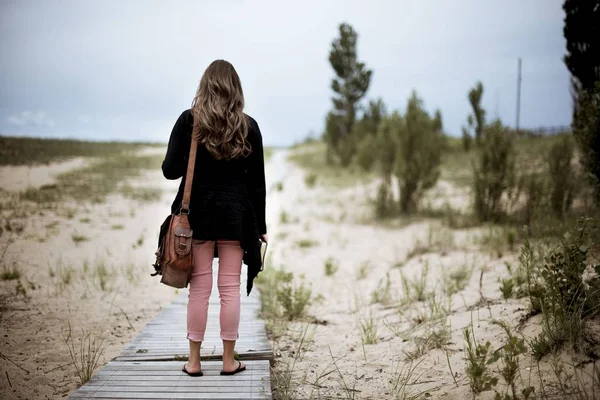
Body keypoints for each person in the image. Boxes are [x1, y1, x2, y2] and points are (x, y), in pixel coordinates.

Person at [161, 59, 267, 377]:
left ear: (204, 86)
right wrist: (260, 227)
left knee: (200, 290)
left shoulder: (189, 121)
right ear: (236, 89)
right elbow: (257, 184)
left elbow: (169, 171)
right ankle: (228, 361)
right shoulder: (248, 126)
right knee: (230, 289)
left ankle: (193, 363)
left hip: (199, 217)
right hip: (237, 218)